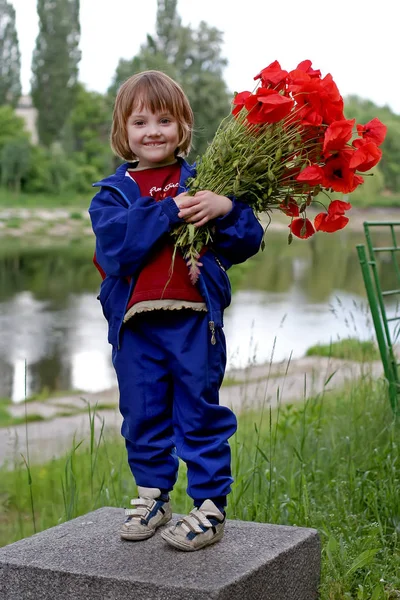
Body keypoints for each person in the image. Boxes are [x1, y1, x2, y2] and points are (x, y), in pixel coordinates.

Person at [89, 70, 263, 552]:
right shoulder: (111, 195)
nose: (153, 131)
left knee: (198, 412)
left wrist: (226, 206)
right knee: (142, 414)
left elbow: (247, 241)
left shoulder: (204, 182)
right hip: (136, 328)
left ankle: (209, 508)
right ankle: (153, 496)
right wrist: (169, 211)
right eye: (140, 120)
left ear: (183, 127)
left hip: (192, 324)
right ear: (122, 132)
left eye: (165, 119)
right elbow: (117, 249)